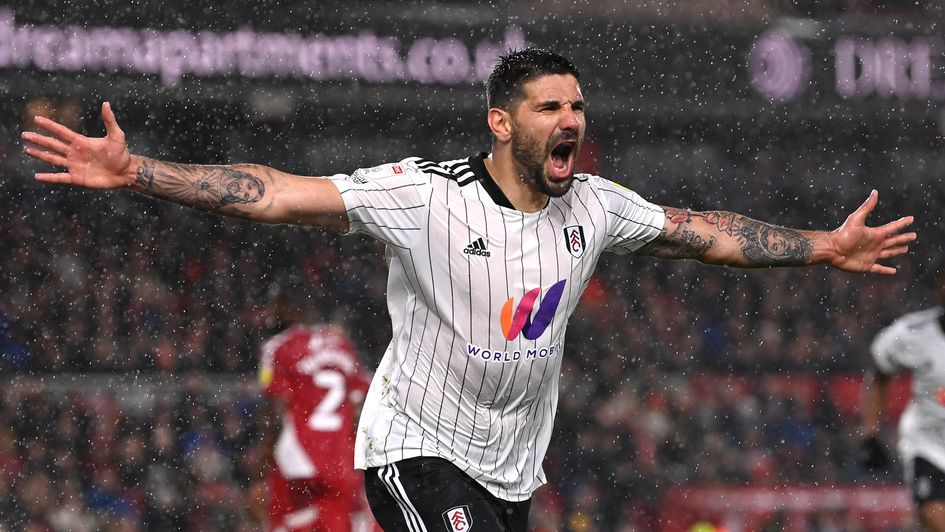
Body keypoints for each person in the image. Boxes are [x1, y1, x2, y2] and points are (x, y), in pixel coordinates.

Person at [21, 47, 916, 531]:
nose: (570, 121)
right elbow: (276, 193)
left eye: (576, 108)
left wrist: (819, 247)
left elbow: (708, 234)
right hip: (413, 450)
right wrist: (137, 171)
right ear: (500, 121)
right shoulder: (421, 195)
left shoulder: (595, 207)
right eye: (548, 108)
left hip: (511, 473)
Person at [251, 291, 374, 532]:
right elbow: (364, 400)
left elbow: (275, 408)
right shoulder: (341, 344)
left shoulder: (278, 346)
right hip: (342, 463)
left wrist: (260, 471)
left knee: (284, 522)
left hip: (298, 462)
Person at [860, 273, 945, 532]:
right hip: (928, 445)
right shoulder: (913, 334)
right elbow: (880, 372)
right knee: (935, 517)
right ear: (940, 288)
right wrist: (870, 432)